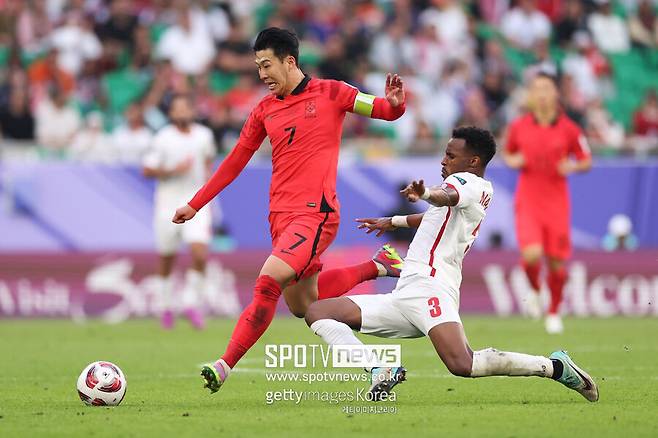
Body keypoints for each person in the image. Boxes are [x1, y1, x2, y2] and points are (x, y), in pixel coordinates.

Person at [171, 27, 406, 393]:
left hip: (316, 214)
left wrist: (395, 104)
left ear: (289, 61)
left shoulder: (333, 92)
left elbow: (382, 110)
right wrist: (195, 204)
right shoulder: (264, 110)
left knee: (268, 282)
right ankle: (379, 266)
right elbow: (235, 161)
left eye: (266, 65)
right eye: (258, 67)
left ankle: (224, 364)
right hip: (281, 217)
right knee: (304, 306)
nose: (262, 74)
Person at [305, 126, 598, 403]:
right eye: (445, 154)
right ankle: (378, 369)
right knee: (319, 311)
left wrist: (426, 194)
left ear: (472, 161)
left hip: (430, 287)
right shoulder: (479, 189)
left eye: (450, 155)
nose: (443, 161)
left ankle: (554, 367)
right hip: (407, 292)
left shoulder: (463, 182)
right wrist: (394, 221)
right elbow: (437, 214)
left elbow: (446, 197)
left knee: (462, 363)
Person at [502, 72, 592, 334]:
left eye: (547, 89)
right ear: (531, 95)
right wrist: (513, 160)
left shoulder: (570, 129)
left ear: (555, 94)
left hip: (556, 201)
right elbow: (508, 153)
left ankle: (553, 311)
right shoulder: (519, 126)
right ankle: (535, 289)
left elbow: (586, 159)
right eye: (537, 89)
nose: (542, 94)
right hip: (528, 198)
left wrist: (572, 166)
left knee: (555, 261)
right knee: (531, 255)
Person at [143, 94, 215, 330]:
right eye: (178, 109)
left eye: (186, 107)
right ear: (171, 113)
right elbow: (147, 169)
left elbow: (208, 164)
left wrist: (209, 189)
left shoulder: (204, 136)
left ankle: (190, 303)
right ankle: (165, 307)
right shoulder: (163, 138)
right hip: (167, 204)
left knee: (200, 253)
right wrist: (174, 170)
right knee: (166, 258)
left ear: (192, 111)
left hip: (196, 203)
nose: (182, 112)